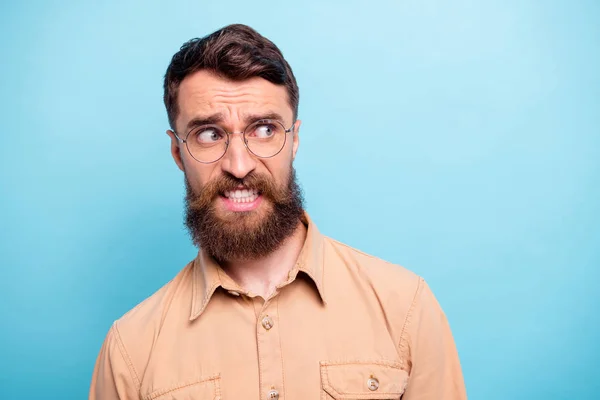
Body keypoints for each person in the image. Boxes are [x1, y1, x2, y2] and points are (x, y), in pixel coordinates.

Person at [89, 24, 467, 400]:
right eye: (209, 134)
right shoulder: (130, 352)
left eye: (264, 129)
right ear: (177, 153)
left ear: (294, 139)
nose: (239, 165)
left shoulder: (405, 310)